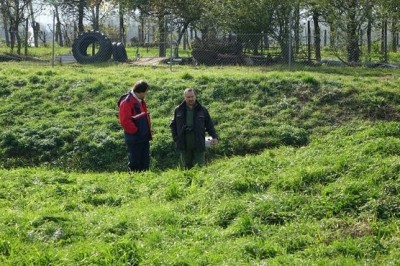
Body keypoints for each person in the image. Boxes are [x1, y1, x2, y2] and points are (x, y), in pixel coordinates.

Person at [170, 88, 219, 169]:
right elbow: (173, 125)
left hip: (198, 142)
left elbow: (209, 125)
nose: (190, 99)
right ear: (184, 97)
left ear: (195, 96)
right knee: (185, 168)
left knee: (200, 167)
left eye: (192, 96)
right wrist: (176, 138)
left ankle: (199, 181)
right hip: (184, 142)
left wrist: (215, 137)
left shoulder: (202, 110)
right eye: (188, 97)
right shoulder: (178, 110)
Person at [118, 80, 152, 172]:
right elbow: (125, 121)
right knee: (135, 161)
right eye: (146, 92)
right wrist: (136, 131)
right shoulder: (126, 102)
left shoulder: (140, 100)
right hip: (135, 137)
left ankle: (145, 180)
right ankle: (134, 182)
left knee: (145, 160)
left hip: (143, 136)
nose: (146, 94)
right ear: (141, 92)